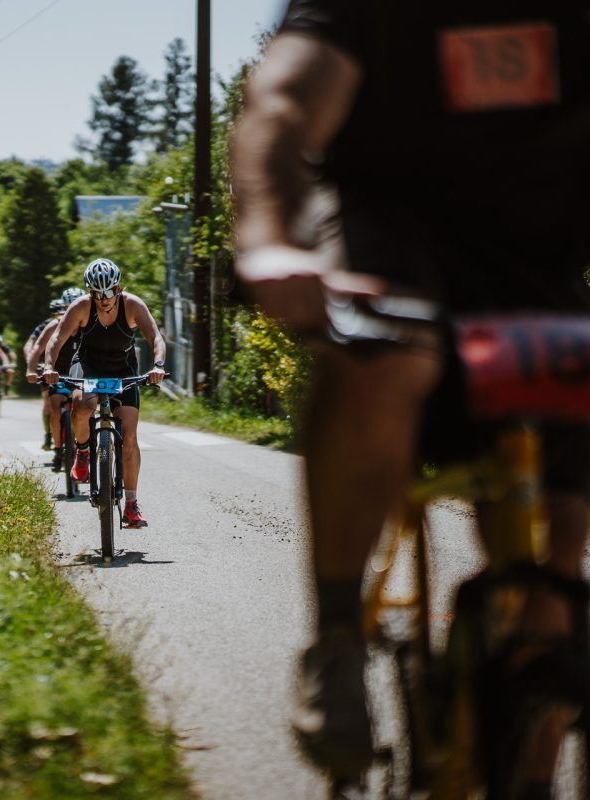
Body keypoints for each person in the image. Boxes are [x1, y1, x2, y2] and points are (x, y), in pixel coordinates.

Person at [231, 0, 590, 786]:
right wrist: (267, 236)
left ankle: (538, 687)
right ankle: (335, 642)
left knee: (553, 602)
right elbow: (284, 101)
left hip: (535, 277)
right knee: (382, 359)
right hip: (386, 250)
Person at [43, 259, 166, 528]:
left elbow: (155, 337)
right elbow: (56, 339)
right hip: (89, 365)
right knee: (82, 405)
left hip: (123, 369)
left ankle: (131, 505)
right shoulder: (81, 307)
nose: (103, 299)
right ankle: (83, 452)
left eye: (109, 292)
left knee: (130, 436)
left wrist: (158, 365)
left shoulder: (133, 305)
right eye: (97, 293)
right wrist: (49, 366)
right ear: (90, 292)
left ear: (119, 288)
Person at [27, 288, 86, 469]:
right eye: (68, 308)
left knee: (86, 407)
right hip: (57, 374)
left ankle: (85, 447)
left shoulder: (89, 325)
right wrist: (31, 370)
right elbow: (37, 347)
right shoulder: (54, 325)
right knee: (54, 408)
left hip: (81, 374)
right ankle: (59, 449)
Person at [25, 298, 68, 450]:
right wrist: (31, 364)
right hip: (49, 365)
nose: (59, 315)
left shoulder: (82, 322)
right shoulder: (47, 325)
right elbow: (31, 345)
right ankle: (49, 436)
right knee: (49, 403)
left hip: (71, 366)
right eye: (55, 313)